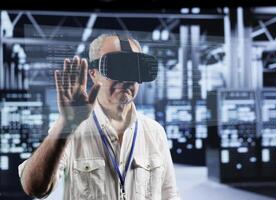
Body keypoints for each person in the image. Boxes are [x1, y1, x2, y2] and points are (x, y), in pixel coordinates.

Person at [18, 33, 180, 200]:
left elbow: (170, 195)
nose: (126, 79)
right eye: (115, 67)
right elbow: (34, 188)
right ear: (93, 73)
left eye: (133, 68)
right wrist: (66, 124)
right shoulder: (72, 130)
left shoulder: (155, 132)